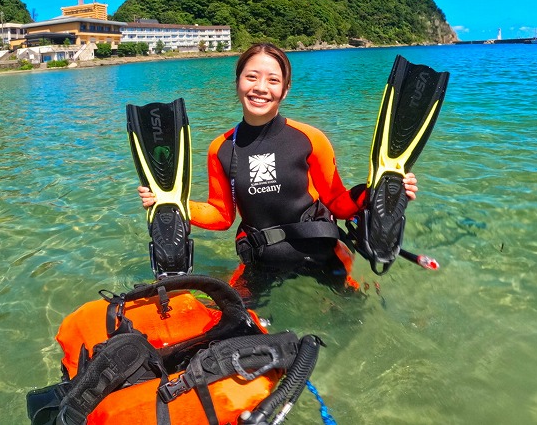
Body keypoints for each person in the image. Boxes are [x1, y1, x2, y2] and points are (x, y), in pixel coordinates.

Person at [138, 42, 417, 295]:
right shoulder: (220, 148)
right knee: (227, 327)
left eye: (273, 80)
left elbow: (338, 203)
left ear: (285, 90)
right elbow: (222, 215)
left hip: (321, 254)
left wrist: (380, 192)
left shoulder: (309, 138)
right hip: (262, 261)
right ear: (237, 83)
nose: (261, 87)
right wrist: (174, 203)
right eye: (251, 77)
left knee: (351, 324)